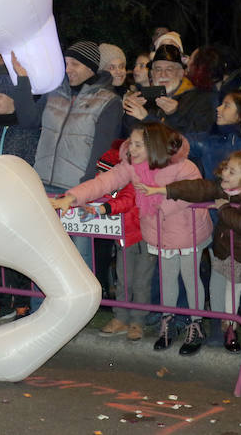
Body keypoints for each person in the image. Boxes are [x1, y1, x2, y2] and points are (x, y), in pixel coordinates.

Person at [51, 122, 211, 355]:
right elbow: (104, 182)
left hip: (188, 233)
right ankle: (167, 323)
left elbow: (193, 193)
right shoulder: (132, 166)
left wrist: (155, 200)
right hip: (158, 234)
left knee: (190, 280)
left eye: (138, 145)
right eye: (131, 144)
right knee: (167, 280)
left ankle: (195, 325)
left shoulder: (183, 166)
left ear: (154, 146)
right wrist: (72, 197)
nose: (131, 149)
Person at [139, 151, 241, 353]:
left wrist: (223, 209)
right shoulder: (224, 190)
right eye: (226, 168)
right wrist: (166, 190)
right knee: (231, 292)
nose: (225, 174)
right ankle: (230, 328)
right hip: (231, 255)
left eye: (232, 172)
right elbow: (198, 188)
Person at [34, 40, 123, 272]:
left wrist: (85, 191)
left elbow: (103, 151)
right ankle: (39, 304)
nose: (67, 69)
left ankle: (84, 307)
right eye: (65, 63)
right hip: (43, 184)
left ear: (91, 68)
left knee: (80, 258)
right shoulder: (54, 92)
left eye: (74, 63)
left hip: (77, 191)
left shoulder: (109, 101)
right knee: (43, 253)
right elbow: (29, 122)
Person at [0, 68, 43, 324]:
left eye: (0, 95)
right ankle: (1, 302)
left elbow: (32, 161)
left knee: (19, 253)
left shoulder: (28, 129)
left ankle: (23, 303)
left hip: (19, 199)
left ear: (15, 98)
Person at [90, 140, 148, 341]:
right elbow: (104, 187)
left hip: (146, 233)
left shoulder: (147, 172)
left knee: (141, 281)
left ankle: (137, 321)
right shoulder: (119, 171)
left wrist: (104, 208)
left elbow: (129, 197)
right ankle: (121, 317)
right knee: (123, 278)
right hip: (125, 233)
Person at [122, 44, 215, 135]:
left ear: (181, 73)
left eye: (169, 69)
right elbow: (126, 134)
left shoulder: (200, 99)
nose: (163, 74)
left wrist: (173, 114)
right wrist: (130, 110)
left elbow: (196, 138)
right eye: (158, 69)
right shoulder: (146, 96)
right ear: (152, 74)